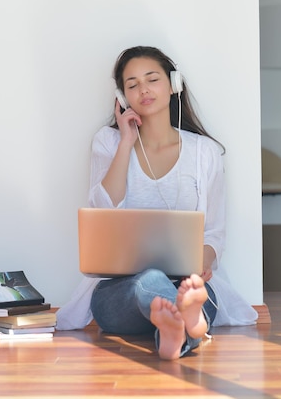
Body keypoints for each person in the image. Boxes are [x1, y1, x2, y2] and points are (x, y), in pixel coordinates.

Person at [56, 45, 258, 358]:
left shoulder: (204, 153)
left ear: (173, 84)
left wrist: (198, 269)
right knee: (149, 280)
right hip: (120, 292)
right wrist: (126, 143)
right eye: (132, 85)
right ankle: (190, 323)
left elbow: (214, 234)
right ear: (122, 98)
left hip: (187, 283)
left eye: (152, 79)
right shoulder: (108, 143)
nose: (144, 90)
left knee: (195, 294)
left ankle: (175, 333)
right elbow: (103, 211)